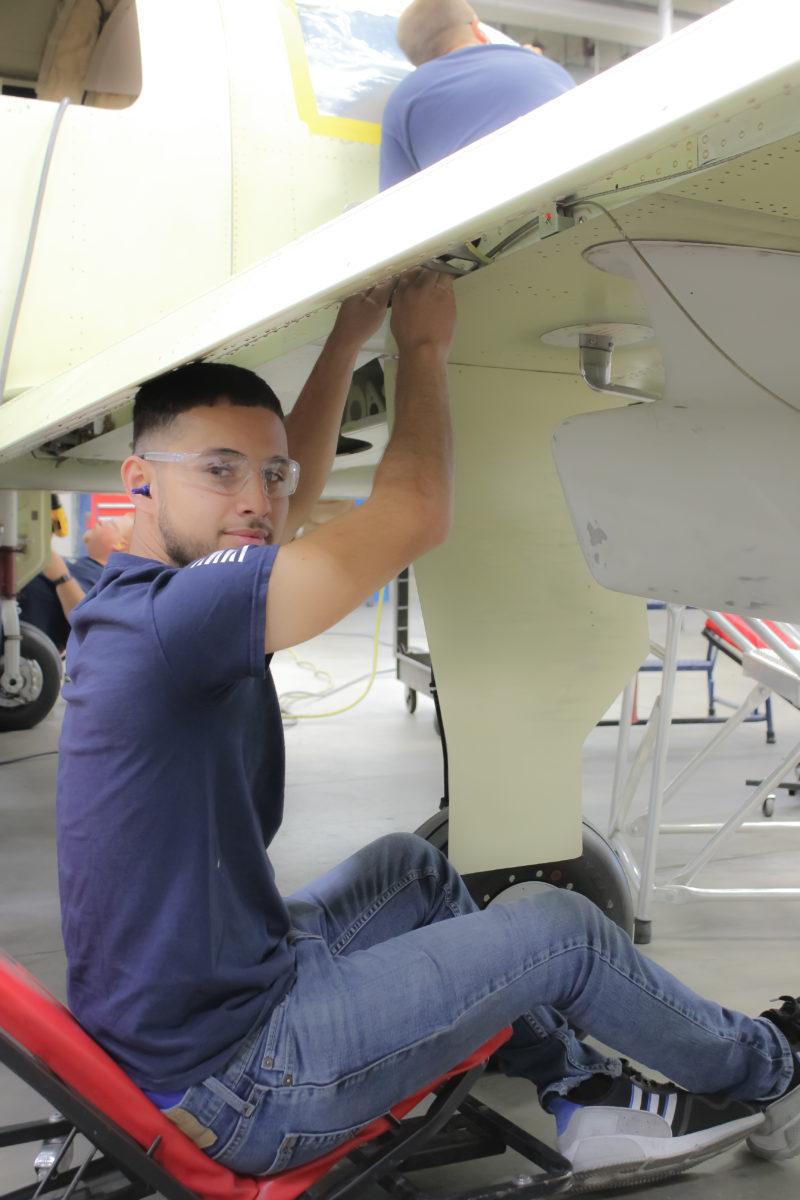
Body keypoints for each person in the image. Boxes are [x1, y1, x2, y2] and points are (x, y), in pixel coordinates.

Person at [56, 269, 800, 1192]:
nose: (255, 497)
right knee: (555, 929)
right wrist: (421, 348)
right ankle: (778, 1073)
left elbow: (294, 492)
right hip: (241, 1082)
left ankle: (586, 1096)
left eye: (268, 473)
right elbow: (413, 516)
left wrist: (345, 334)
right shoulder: (181, 619)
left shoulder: (132, 599)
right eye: (218, 470)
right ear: (139, 481)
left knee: (403, 869)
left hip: (192, 1030)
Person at [379, 0, 576, 190]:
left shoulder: (405, 98)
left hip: (496, 211)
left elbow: (392, 207)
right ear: (475, 27)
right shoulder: (549, 68)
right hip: (583, 187)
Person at [18, 515, 133, 652]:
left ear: (120, 545)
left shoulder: (107, 579)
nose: (100, 521)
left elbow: (88, 620)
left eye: (111, 522)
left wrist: (61, 577)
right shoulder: (82, 564)